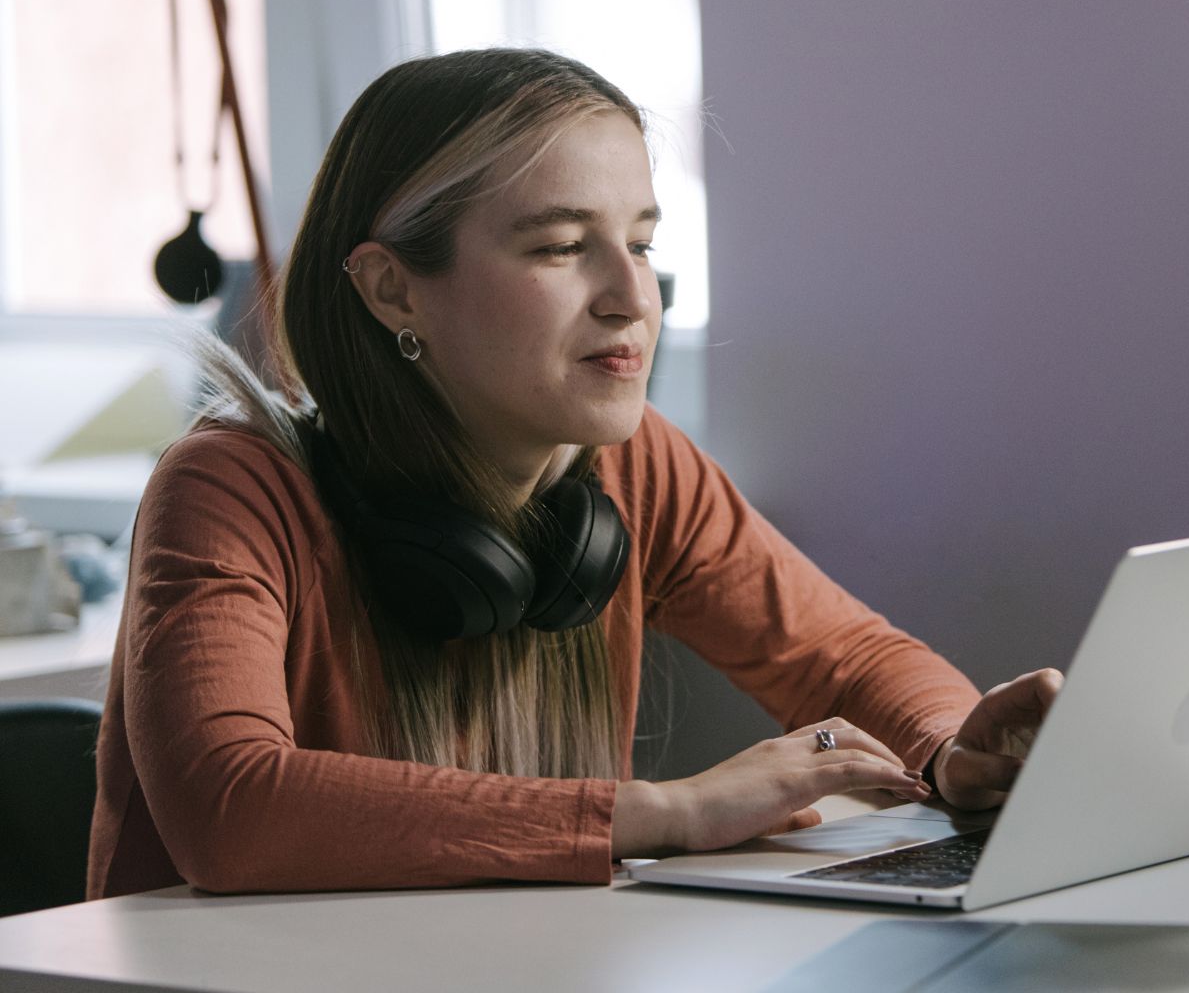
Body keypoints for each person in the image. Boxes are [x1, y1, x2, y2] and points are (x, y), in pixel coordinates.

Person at [86, 48, 1062, 899]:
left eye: (640, 243)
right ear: (395, 290)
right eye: (560, 247)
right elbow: (232, 807)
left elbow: (847, 659)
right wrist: (664, 813)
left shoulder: (635, 471)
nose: (634, 297)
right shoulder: (232, 490)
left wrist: (952, 748)